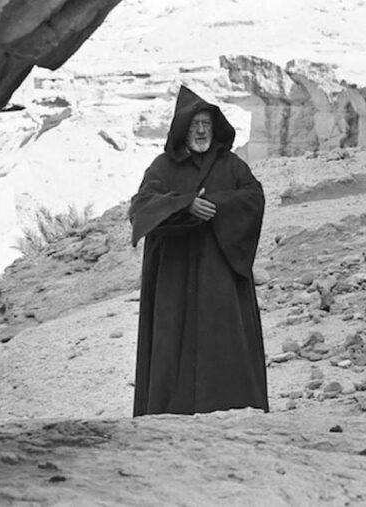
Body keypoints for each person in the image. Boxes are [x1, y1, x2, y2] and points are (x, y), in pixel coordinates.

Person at [128, 85, 269, 416]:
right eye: (194, 124)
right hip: (175, 275)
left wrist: (215, 204)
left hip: (218, 271)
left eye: (206, 123)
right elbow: (142, 206)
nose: (201, 130)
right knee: (172, 339)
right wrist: (185, 205)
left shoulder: (231, 166)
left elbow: (253, 198)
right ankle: (170, 409)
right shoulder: (162, 167)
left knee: (223, 335)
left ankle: (231, 404)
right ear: (182, 128)